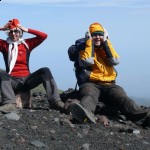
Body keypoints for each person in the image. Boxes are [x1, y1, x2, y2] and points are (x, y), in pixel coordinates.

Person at [69, 22, 150, 127]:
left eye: (100, 34)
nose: (97, 37)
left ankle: (145, 119)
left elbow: (115, 60)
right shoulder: (83, 48)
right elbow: (87, 61)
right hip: (90, 82)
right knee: (89, 95)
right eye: (94, 35)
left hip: (109, 83)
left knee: (124, 99)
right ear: (89, 36)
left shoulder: (106, 48)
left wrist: (106, 43)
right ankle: (85, 115)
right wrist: (90, 43)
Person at [0, 18, 65, 113]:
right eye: (11, 32)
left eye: (16, 31)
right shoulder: (4, 45)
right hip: (12, 81)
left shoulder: (27, 44)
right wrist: (1, 28)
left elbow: (43, 36)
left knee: (45, 71)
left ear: (20, 32)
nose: (14, 34)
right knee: (1, 73)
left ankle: (55, 102)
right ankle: (10, 104)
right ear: (8, 33)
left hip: (27, 80)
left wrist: (26, 29)